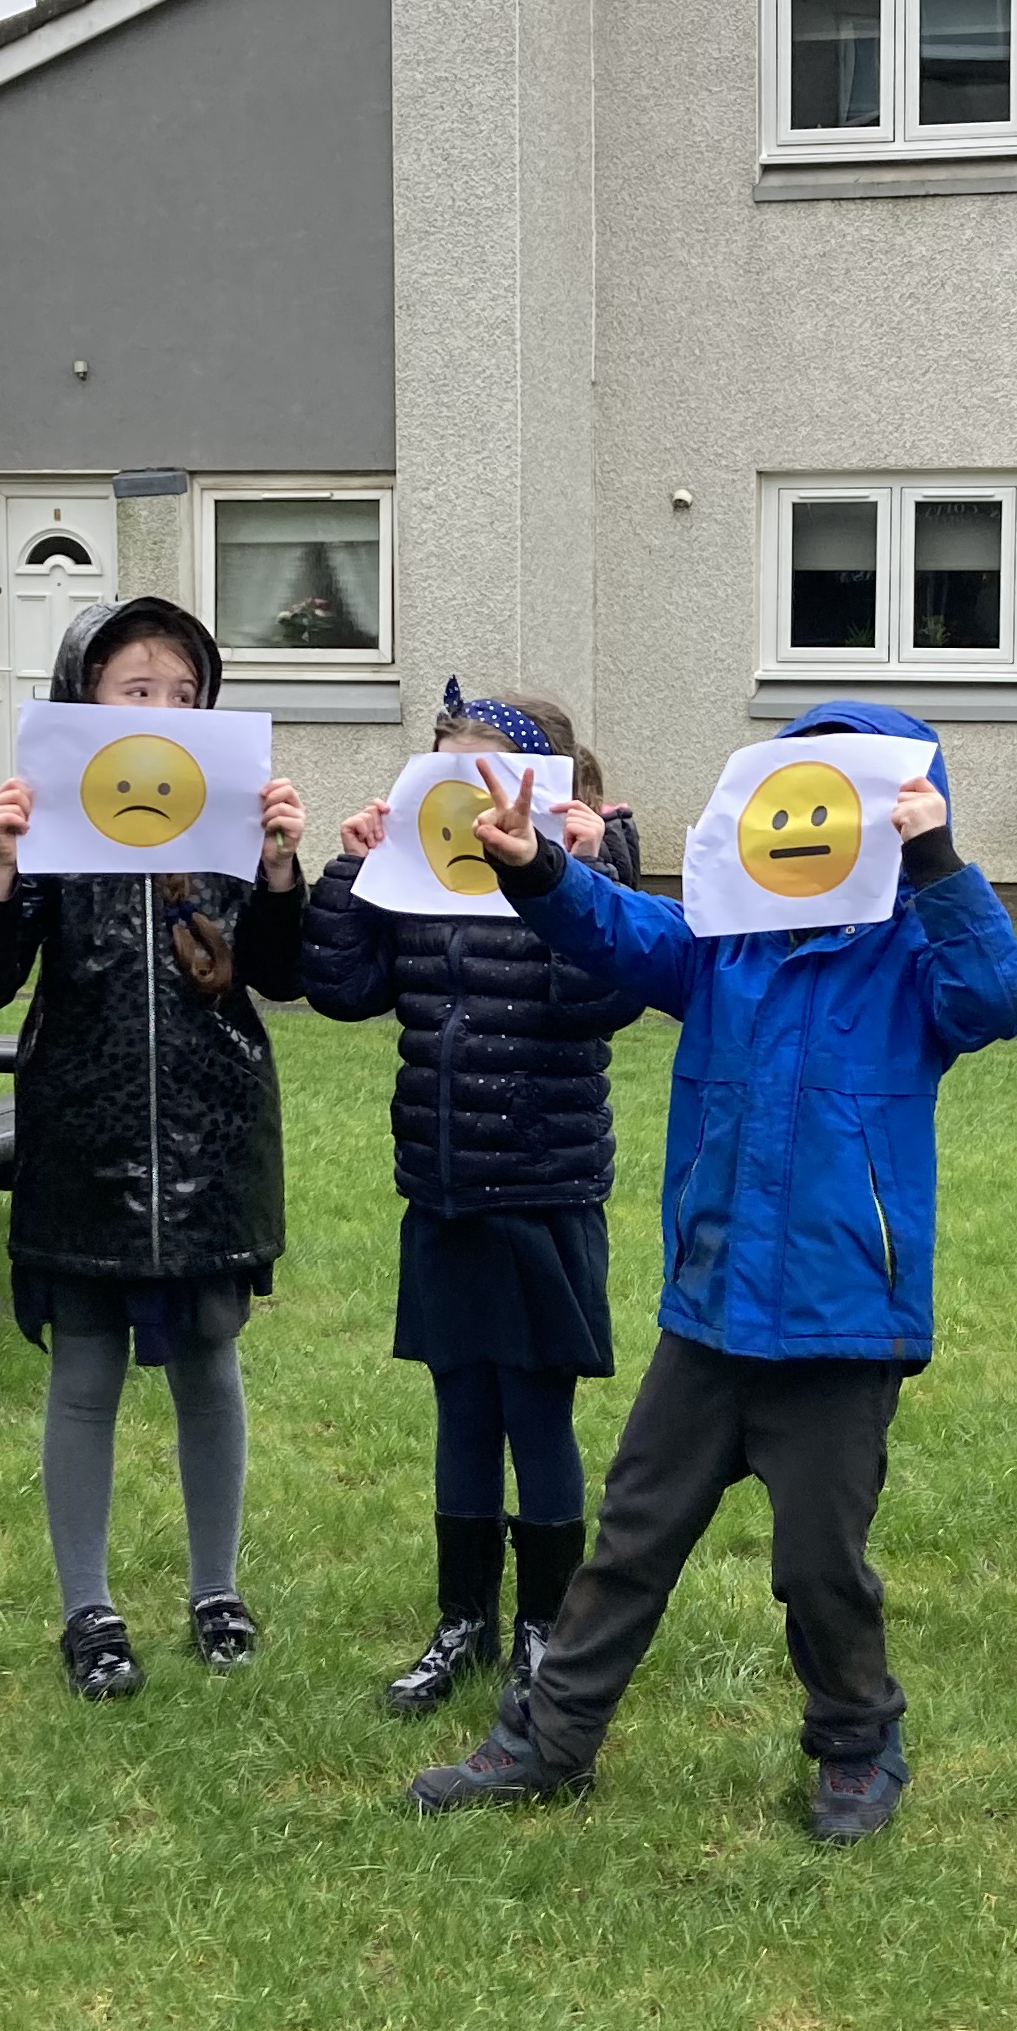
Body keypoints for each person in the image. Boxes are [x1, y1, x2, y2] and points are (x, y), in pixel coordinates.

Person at [407, 702, 1017, 1842]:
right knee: (632, 1538)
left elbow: (1003, 997)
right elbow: (616, 933)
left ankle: (858, 1742)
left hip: (845, 1324)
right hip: (710, 1310)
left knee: (819, 1565)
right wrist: (538, 866)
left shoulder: (912, 958)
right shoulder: (726, 947)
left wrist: (940, 860)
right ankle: (552, 1739)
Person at [0, 596, 311, 1702]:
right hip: (83, 1128)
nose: (162, 708)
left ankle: (217, 1589)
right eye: (135, 689)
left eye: (183, 693)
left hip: (212, 1129)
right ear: (85, 702)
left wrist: (280, 868)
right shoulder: (54, 834)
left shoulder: (221, 818)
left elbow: (286, 973)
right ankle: (88, 1609)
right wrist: (2, 865)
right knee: (85, 1371)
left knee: (212, 1360)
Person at [299, 680, 647, 1714]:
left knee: (536, 1416)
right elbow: (342, 987)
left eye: (481, 770)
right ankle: (463, 1620)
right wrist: (349, 870)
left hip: (544, 1187)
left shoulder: (576, 882)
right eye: (443, 767)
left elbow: (605, 999)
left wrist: (581, 875)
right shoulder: (417, 879)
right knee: (460, 1412)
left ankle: (547, 1628)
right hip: (443, 1188)